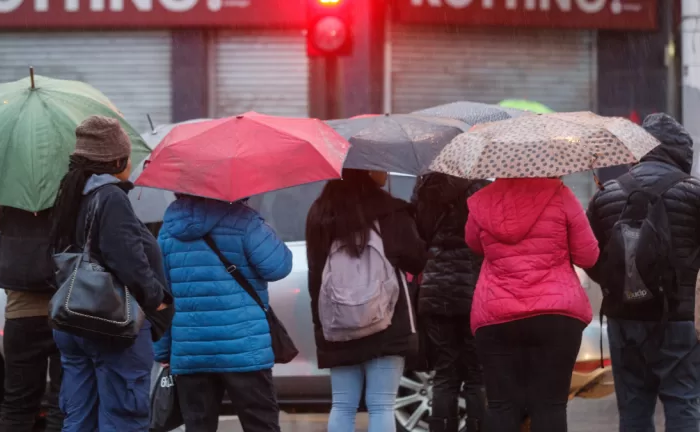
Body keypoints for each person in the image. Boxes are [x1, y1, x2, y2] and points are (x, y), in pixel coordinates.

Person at [50, 115, 172, 431]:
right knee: (123, 418)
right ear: (114, 159)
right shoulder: (111, 198)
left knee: (79, 417)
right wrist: (156, 299)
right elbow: (129, 260)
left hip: (72, 318)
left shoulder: (70, 194)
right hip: (110, 322)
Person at [586, 113, 700, 432]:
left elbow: (588, 255)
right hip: (680, 320)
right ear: (681, 152)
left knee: (634, 407)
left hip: (625, 318)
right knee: (683, 400)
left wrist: (618, 284)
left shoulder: (606, 194)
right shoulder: (694, 193)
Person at [465, 176, 599, 432]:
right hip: (555, 312)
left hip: (496, 312)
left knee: (501, 405)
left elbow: (473, 243)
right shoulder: (560, 194)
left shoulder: (482, 200)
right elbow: (588, 255)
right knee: (550, 405)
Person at [154, 193, 293, 432]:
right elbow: (278, 266)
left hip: (190, 350)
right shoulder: (244, 220)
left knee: (198, 427)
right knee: (261, 425)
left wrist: (163, 350)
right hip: (244, 348)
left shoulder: (169, 229)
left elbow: (161, 296)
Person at [305, 169, 428, 432]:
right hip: (387, 318)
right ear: (367, 169)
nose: (385, 171)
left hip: (337, 322)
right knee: (382, 405)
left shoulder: (320, 211)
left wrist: (320, 325)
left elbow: (315, 273)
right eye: (380, 165)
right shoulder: (390, 211)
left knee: (342, 405)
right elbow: (417, 260)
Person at [410, 173, 489, 432]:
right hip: (473, 289)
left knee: (445, 373)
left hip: (435, 290)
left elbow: (418, 236)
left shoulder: (424, 189)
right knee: (477, 373)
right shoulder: (480, 189)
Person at [0, 206, 63, 431]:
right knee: (62, 401)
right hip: (63, 313)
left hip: (20, 316)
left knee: (18, 402)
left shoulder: (9, 205)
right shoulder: (67, 203)